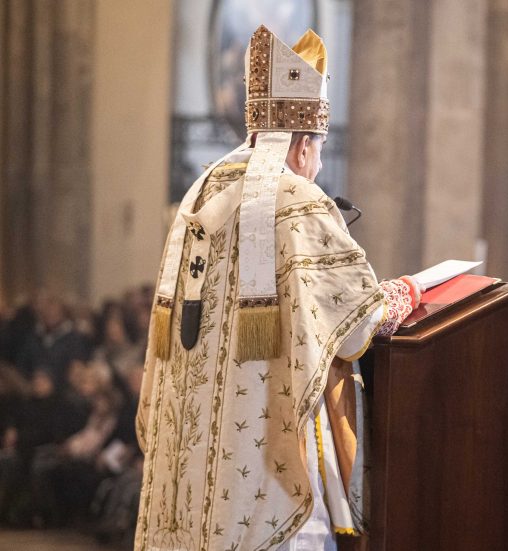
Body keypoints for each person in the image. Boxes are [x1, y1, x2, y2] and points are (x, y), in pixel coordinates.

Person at [135, 26, 423, 551]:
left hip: (195, 445)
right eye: (317, 147)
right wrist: (406, 293)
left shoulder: (201, 190)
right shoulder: (298, 199)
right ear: (303, 144)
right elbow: (359, 324)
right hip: (260, 442)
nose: (315, 161)